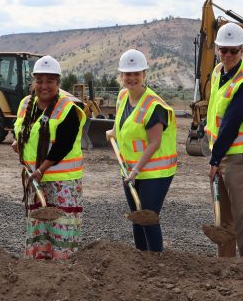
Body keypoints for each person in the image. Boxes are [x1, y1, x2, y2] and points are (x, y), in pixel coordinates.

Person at [12, 55, 87, 260]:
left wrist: (40, 170)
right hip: (36, 179)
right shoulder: (26, 104)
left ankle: (62, 271)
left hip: (62, 183)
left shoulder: (68, 109)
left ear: (58, 83)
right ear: (33, 81)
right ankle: (39, 270)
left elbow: (62, 147)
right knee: (40, 227)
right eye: (39, 80)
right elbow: (24, 130)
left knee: (61, 227)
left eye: (50, 81)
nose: (44, 86)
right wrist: (19, 143)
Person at [105, 49, 177, 252]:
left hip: (155, 172)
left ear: (144, 75)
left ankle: (154, 260)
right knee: (136, 216)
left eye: (136, 73)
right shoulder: (122, 97)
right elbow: (125, 124)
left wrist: (136, 170)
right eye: (127, 74)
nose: (132, 78)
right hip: (129, 169)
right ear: (121, 76)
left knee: (147, 216)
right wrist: (113, 132)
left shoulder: (154, 106)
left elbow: (154, 142)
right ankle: (139, 260)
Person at [205, 22, 243, 258]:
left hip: (240, 157)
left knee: (241, 214)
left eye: (233, 51)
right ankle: (226, 265)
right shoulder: (219, 72)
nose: (227, 55)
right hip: (221, 153)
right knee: (223, 214)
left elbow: (231, 123)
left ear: (242, 51)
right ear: (218, 49)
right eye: (223, 50)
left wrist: (215, 159)